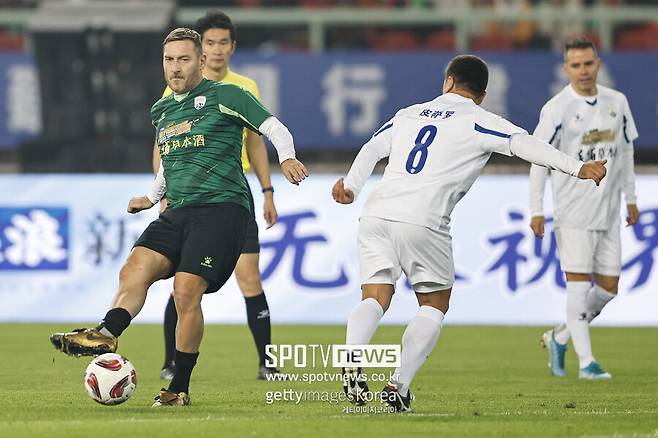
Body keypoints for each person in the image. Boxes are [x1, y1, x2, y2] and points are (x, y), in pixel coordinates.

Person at [332, 54, 607, 412]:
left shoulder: (409, 113)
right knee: (433, 303)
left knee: (375, 296)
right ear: (482, 94)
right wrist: (577, 167)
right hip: (423, 220)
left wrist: (351, 186)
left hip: (376, 213)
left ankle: (352, 357)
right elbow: (525, 145)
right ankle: (397, 386)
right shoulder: (479, 120)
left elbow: (372, 148)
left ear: (448, 82)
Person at [50, 27, 308, 407]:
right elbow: (170, 163)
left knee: (186, 291)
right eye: (169, 60)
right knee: (133, 269)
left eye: (184, 59)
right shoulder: (162, 109)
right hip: (180, 209)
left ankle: (177, 388)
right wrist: (151, 197)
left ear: (201, 61)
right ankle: (106, 332)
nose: (175, 67)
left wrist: (285, 156)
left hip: (223, 209)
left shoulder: (228, 95)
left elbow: (273, 126)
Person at [154, 11, 283, 382]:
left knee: (250, 279)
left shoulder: (244, 88)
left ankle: (267, 362)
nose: (216, 50)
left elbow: (255, 143)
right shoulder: (176, 88)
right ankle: (170, 363)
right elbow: (162, 145)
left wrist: (268, 191)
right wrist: (163, 192)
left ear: (232, 47)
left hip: (233, 195)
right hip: (189, 197)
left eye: (222, 42)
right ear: (199, 48)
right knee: (182, 280)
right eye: (209, 42)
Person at [529, 38, 638, 380]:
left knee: (607, 289)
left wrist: (631, 198)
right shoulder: (557, 108)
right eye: (575, 65)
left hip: (608, 211)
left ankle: (559, 336)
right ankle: (587, 362)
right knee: (577, 287)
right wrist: (536, 208)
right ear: (566, 69)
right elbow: (536, 158)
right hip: (573, 210)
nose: (583, 71)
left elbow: (627, 153)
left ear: (598, 63)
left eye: (588, 63)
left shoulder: (617, 102)